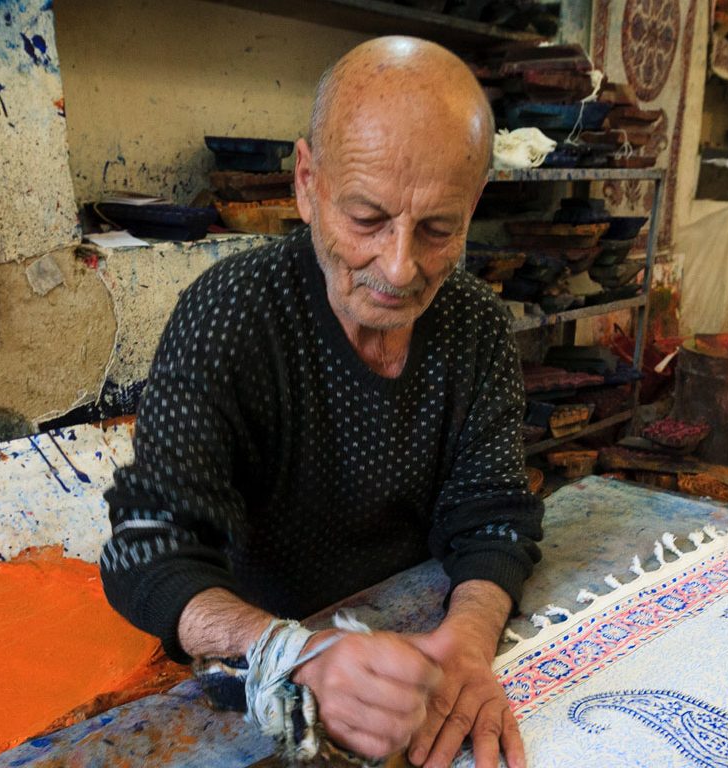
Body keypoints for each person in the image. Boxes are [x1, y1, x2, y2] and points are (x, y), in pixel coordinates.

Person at [99, 36, 540, 768]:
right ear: (307, 183)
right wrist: (291, 650)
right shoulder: (230, 314)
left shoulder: (476, 324)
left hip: (416, 647)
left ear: (475, 206)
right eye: (367, 218)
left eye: (438, 229)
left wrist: (464, 646)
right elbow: (149, 550)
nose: (399, 268)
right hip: (255, 657)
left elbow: (492, 515)